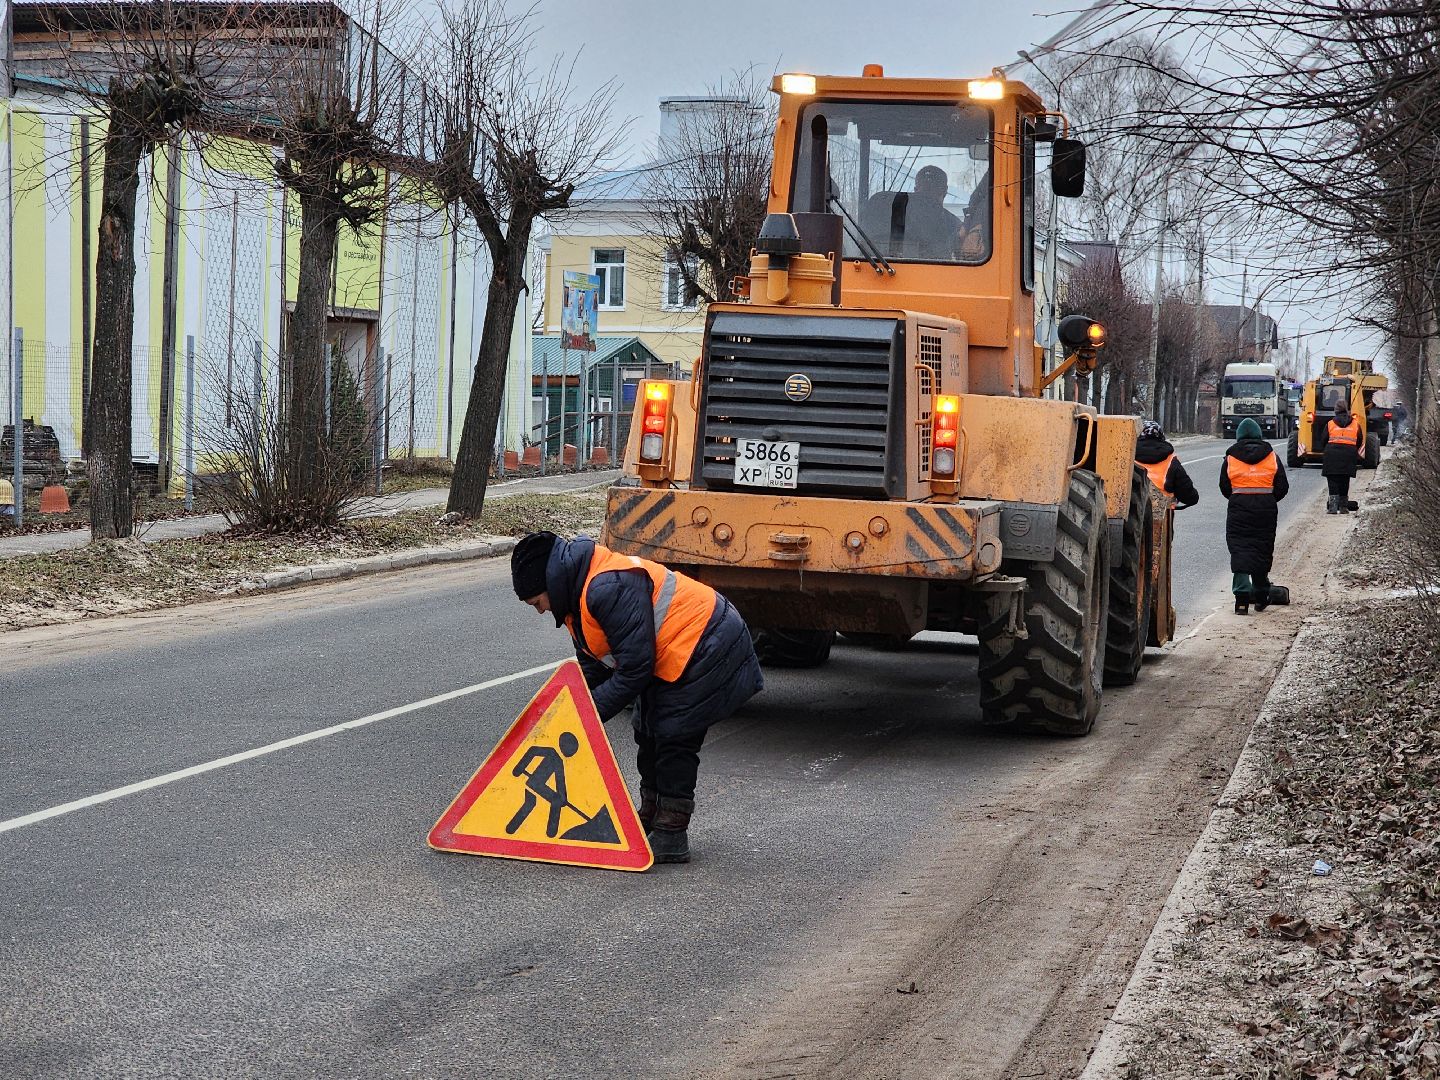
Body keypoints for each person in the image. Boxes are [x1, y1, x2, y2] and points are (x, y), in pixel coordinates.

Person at [511, 531, 763, 864]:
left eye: (536, 603)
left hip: (708, 640)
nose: (540, 611)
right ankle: (650, 815)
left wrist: (587, 715)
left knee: (674, 735)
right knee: (646, 729)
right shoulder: (574, 601)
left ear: (549, 582)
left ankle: (671, 832)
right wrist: (565, 712)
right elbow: (595, 666)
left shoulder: (605, 588)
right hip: (673, 650)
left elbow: (634, 671)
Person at [1220, 417, 1289, 615]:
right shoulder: (1272, 456)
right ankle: (1261, 595)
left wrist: (1239, 497)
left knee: (1239, 550)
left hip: (1239, 509)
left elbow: (1224, 486)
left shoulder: (1230, 458)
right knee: (1262, 549)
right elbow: (1282, 486)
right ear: (1259, 434)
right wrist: (1267, 498)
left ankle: (1241, 600)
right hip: (1266, 510)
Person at [1135, 420, 1199, 508]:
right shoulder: (1170, 460)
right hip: (1161, 509)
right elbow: (1186, 492)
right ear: (1161, 435)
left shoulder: (1126, 457)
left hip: (1134, 509)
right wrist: (1193, 497)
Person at [1323, 402, 1362, 514]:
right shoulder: (1355, 424)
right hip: (1349, 454)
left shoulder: (1330, 424)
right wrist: (1353, 449)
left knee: (1332, 480)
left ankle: (1333, 508)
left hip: (1332, 454)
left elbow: (1324, 439)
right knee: (1345, 480)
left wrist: (1327, 449)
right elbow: (1359, 440)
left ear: (1336, 410)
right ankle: (1344, 507)